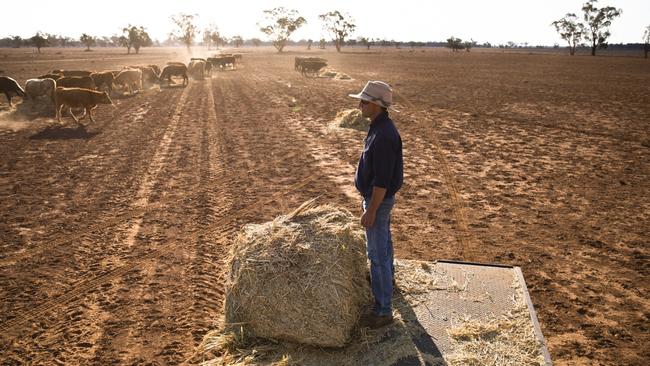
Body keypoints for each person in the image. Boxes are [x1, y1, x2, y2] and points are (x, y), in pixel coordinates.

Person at [349, 81, 403, 329]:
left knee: (376, 254)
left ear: (377, 105)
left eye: (364, 101)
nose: (359, 104)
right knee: (385, 244)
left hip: (377, 201)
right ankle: (389, 282)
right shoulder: (378, 127)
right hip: (378, 201)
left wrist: (370, 211)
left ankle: (383, 311)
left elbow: (381, 181)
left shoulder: (383, 136)